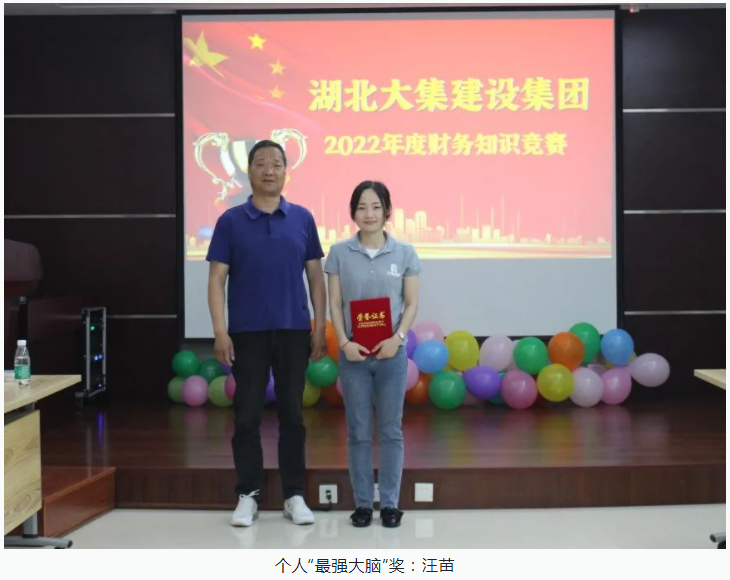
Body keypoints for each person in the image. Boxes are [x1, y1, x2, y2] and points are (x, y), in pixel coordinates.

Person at [207, 140, 327, 527]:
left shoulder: (302, 218)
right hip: (247, 331)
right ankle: (248, 494)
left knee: (293, 414)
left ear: (286, 171)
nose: (269, 170)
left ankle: (294, 494)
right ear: (249, 172)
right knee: (246, 415)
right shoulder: (230, 221)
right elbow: (216, 279)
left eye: (276, 163)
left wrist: (319, 326)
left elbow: (315, 277)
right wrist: (220, 330)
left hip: (294, 329)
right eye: (261, 164)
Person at [324, 180, 421, 528]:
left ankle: (391, 504)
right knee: (359, 431)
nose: (369, 214)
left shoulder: (405, 253)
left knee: (391, 430)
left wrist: (398, 338)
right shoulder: (339, 253)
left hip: (391, 356)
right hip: (354, 356)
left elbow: (411, 303)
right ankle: (364, 504)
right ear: (353, 212)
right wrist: (344, 343)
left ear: (387, 211)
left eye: (376, 207)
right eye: (362, 207)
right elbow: (335, 303)